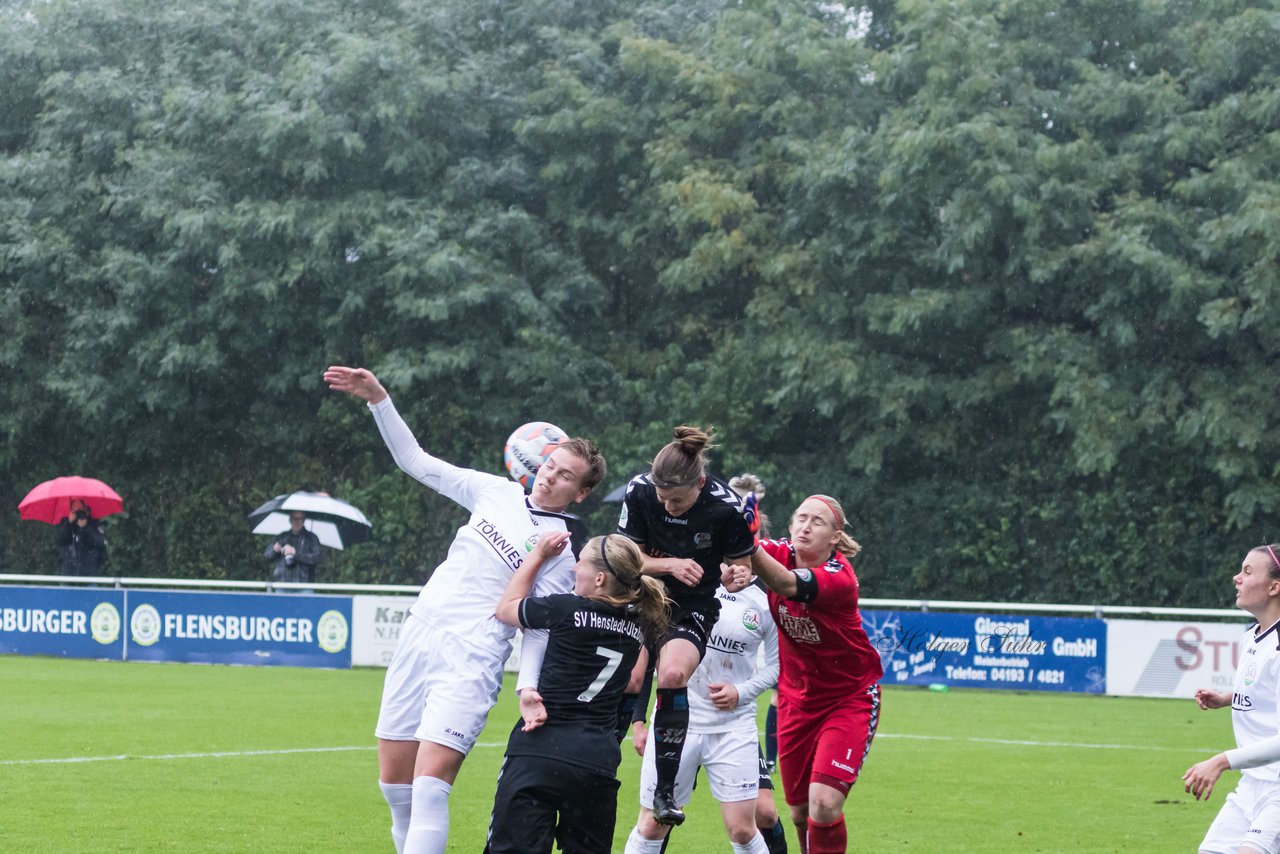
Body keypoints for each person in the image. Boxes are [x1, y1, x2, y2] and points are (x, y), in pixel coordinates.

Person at [323, 365, 606, 854]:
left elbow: (537, 627)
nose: (550, 477)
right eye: (549, 466)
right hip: (420, 634)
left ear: (579, 493)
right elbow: (415, 460)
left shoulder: (563, 549)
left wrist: (527, 687)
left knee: (431, 787)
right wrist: (378, 399)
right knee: (397, 790)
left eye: (565, 477)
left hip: (473, 656)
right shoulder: (493, 491)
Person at [485, 531, 669, 854]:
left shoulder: (565, 608)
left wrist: (539, 555)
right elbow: (636, 682)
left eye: (580, 564)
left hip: (539, 750)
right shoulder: (640, 622)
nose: (574, 570)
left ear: (599, 578)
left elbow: (506, 608)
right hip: (596, 762)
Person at [618, 425, 757, 826]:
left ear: (699, 482)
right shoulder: (639, 491)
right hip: (638, 595)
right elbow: (625, 557)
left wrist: (736, 576)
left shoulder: (726, 507)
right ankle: (600, 760)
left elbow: (741, 566)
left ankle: (665, 792)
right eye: (663, 498)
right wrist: (669, 565)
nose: (668, 506)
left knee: (674, 672)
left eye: (677, 499)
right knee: (628, 680)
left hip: (691, 605)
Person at [748, 494, 883, 854]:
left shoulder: (840, 578)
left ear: (835, 537)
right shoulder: (778, 550)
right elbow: (742, 557)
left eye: (817, 522)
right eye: (800, 518)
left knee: (824, 803)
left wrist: (744, 543)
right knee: (801, 813)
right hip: (796, 701)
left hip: (849, 699)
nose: (805, 526)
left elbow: (785, 584)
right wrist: (735, 535)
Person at [624, 576, 785, 854]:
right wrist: (638, 721)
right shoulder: (690, 587)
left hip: (733, 727)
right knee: (652, 824)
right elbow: (651, 656)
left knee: (745, 829)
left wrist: (742, 691)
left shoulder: (767, 601)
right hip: (678, 725)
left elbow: (776, 665)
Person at [1183, 544, 1280, 854]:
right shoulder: (1252, 635)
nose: (1236, 578)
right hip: (1253, 784)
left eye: (1248, 571)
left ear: (1274, 587)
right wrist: (1227, 698)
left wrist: (1222, 761)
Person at [728, 473, 779, 775]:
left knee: (765, 812)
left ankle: (769, 760)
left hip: (740, 705)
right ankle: (771, 760)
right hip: (700, 701)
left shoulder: (766, 584)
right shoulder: (711, 574)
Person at [263, 511, 322, 585]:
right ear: (290, 520)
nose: (296, 521)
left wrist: (295, 554)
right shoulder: (282, 536)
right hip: (282, 583)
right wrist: (274, 550)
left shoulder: (311, 538)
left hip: (304, 585)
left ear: (304, 520)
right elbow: (267, 556)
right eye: (294, 518)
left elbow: (317, 558)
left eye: (299, 518)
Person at [55, 499, 107, 576]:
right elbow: (59, 540)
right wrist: (69, 523)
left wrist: (85, 528)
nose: (78, 513)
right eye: (75, 510)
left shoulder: (93, 523)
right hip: (68, 573)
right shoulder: (65, 523)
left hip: (89, 572)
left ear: (85, 510)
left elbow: (99, 544)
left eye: (80, 509)